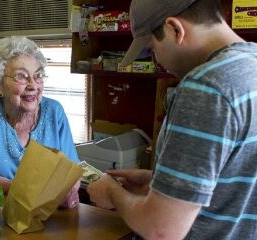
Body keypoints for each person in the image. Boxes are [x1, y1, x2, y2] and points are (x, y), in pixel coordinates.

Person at [87, 0, 257, 239]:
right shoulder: (251, 66)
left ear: (174, 29)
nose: (158, 62)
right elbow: (236, 186)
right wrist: (162, 185)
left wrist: (112, 193)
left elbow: (161, 230)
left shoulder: (206, 86)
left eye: (153, 50)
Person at [0, 36, 80, 207]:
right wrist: (22, 190)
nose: (33, 85)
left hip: (49, 213)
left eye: (38, 75)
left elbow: (73, 173)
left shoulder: (54, 112)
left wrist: (68, 192)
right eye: (22, 76)